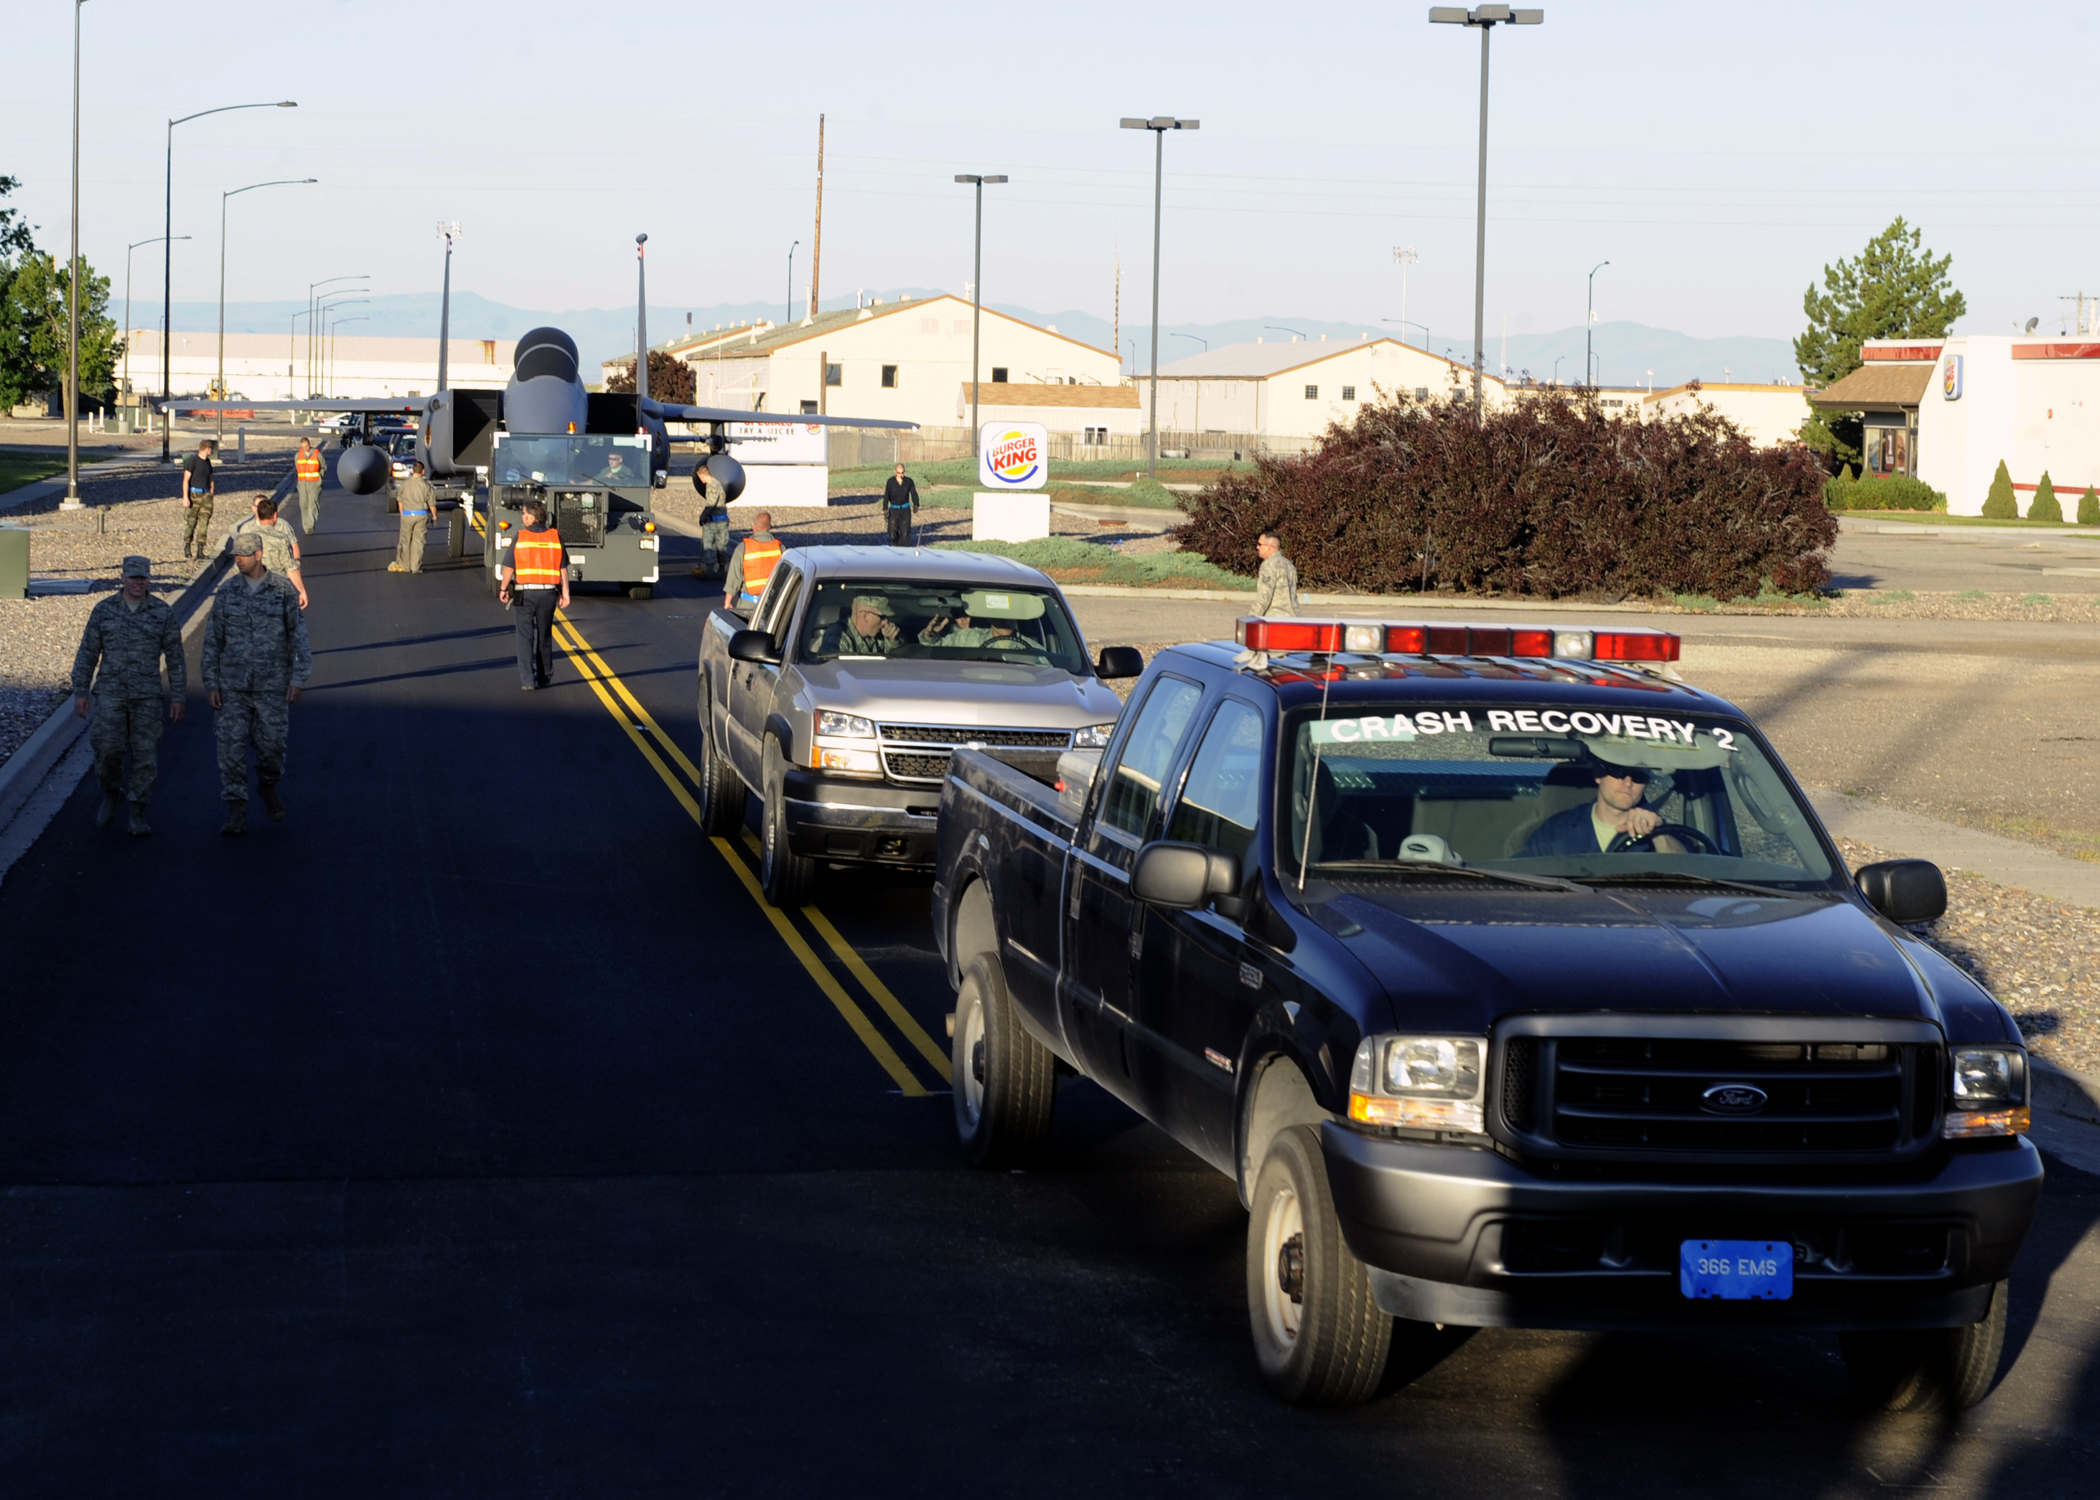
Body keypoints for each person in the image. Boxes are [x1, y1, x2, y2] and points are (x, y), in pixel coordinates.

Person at [203, 532, 311, 835]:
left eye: (244, 555)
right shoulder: (227, 593)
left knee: (272, 748)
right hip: (233, 688)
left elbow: (298, 637)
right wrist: (211, 683)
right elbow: (213, 641)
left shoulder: (282, 591)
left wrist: (297, 678)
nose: (239, 560)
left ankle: (267, 784)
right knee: (230, 751)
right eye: (236, 555)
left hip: (272, 687)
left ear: (259, 555)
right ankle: (236, 809)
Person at [70, 554, 186, 837]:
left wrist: (179, 696)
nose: (138, 583)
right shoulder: (104, 610)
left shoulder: (161, 612)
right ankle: (112, 793)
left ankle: (137, 812)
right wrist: (81, 691)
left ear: (149, 579)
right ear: (122, 578)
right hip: (111, 693)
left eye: (143, 578)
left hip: (146, 695)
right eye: (133, 577)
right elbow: (88, 652)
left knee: (145, 757)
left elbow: (175, 656)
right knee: (107, 751)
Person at [1520, 760, 1685, 857]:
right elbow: (1519, 880)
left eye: (1638, 776)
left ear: (1647, 782)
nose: (1628, 783)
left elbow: (1691, 884)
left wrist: (1659, 834)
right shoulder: (1556, 830)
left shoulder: (1663, 832)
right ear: (1598, 774)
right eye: (1618, 772)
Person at [498, 498, 570, 690]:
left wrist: (503, 589)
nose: (522, 517)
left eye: (524, 514)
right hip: (548, 594)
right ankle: (544, 676)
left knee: (524, 636)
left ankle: (527, 680)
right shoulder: (555, 537)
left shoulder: (520, 537)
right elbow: (563, 568)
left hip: (525, 593)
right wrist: (566, 593)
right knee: (545, 635)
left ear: (531, 517)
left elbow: (508, 568)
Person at [233, 495, 308, 609]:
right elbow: (290, 568)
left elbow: (238, 568)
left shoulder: (247, 538)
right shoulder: (280, 539)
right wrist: (302, 591)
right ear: (275, 515)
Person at [722, 511, 783, 614]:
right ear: (769, 527)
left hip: (748, 606)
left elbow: (734, 577)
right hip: (773, 606)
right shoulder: (780, 548)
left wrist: (728, 602)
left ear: (754, 526)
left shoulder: (743, 548)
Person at [815, 594, 902, 656]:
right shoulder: (837, 637)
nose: (886, 622)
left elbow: (894, 660)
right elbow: (831, 669)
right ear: (865, 616)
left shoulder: (876, 635)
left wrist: (893, 640)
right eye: (882, 617)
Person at [390, 461, 437, 574]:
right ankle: (415, 567)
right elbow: (431, 504)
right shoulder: (426, 485)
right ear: (423, 471)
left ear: (412, 471)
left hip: (407, 515)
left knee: (405, 541)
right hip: (421, 515)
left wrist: (402, 513)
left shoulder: (405, 484)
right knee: (418, 542)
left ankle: (404, 565)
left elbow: (400, 500)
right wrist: (434, 516)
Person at [179, 439, 217, 560]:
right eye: (210, 448)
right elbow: (185, 479)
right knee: (191, 522)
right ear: (206, 449)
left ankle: (200, 549)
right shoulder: (193, 461)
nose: (211, 450)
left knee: (204, 523)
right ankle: (187, 546)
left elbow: (211, 478)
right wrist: (186, 497)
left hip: (206, 495)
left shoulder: (208, 462)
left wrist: (211, 493)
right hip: (194, 494)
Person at [691, 468, 731, 577]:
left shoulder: (713, 486)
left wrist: (702, 517)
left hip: (715, 521)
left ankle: (712, 569)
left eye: (700, 478)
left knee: (711, 544)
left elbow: (711, 504)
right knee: (720, 545)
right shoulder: (716, 484)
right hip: (720, 520)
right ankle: (718, 568)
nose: (701, 480)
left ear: (703, 476)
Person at [1253, 531, 1299, 617]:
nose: (1257, 547)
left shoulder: (1269, 565)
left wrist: (1251, 618)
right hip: (1294, 618)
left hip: (1275, 619)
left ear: (1269, 547)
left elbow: (1264, 596)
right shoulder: (1289, 564)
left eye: (1259, 544)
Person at [882, 462, 919, 546]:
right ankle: (895, 544)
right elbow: (886, 495)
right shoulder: (890, 482)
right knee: (892, 532)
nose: (901, 475)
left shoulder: (909, 481)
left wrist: (916, 504)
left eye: (902, 473)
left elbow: (914, 493)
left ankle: (902, 550)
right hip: (894, 509)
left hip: (905, 509)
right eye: (899, 473)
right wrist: (885, 508)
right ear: (895, 471)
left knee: (905, 533)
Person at [293, 436, 324, 535]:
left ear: (309, 444)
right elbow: (297, 468)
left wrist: (320, 478)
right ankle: (305, 525)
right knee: (303, 505)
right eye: (303, 446)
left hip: (314, 483)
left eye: (306, 445)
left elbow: (323, 466)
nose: (305, 448)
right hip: (302, 484)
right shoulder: (298, 455)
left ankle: (310, 526)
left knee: (313, 504)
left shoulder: (317, 454)